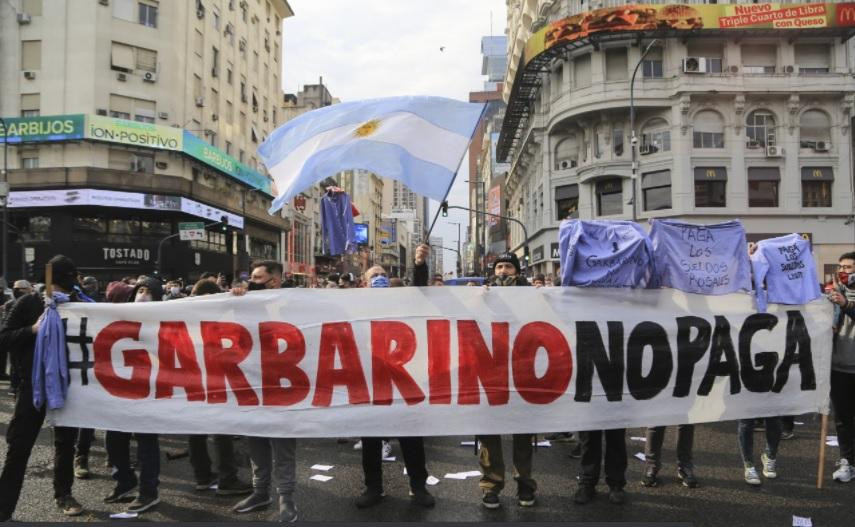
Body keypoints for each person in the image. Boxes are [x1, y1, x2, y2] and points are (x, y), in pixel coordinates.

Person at [0, 256, 85, 520]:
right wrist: (33, 330)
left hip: (65, 386)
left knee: (65, 443)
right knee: (19, 447)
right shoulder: (28, 303)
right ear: (51, 281)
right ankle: (4, 506)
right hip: (31, 386)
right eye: (60, 284)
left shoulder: (79, 305)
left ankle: (64, 494)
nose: (63, 291)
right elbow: (3, 338)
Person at [355, 250, 435, 510]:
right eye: (373, 276)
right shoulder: (352, 305)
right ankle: (374, 488)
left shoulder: (403, 303)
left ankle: (418, 486)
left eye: (382, 275)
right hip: (370, 381)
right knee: (371, 439)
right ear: (364, 284)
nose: (379, 278)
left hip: (403, 380)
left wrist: (419, 265)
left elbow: (421, 292)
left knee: (411, 437)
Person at [230, 260, 300, 522]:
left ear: (274, 281)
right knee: (255, 442)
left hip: (283, 387)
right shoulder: (247, 302)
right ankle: (261, 492)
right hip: (252, 383)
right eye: (251, 277)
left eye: (257, 278)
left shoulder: (294, 303)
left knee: (283, 446)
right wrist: (238, 300)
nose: (251, 282)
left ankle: (286, 498)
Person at [477, 252, 537, 509]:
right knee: (490, 434)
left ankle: (524, 482)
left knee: (523, 433)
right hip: (491, 372)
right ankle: (492, 485)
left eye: (508, 266)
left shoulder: (533, 295)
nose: (503, 271)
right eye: (499, 266)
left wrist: (544, 295)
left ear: (517, 270)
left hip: (524, 372)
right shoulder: (482, 293)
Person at [184, 279, 252, 496]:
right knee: (222, 429)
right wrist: (236, 301)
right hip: (216, 379)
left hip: (191, 381)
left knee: (196, 431)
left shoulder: (182, 313)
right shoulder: (216, 317)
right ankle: (227, 478)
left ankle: (202, 477)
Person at [104, 277, 164, 513]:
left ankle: (149, 492)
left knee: (147, 443)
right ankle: (125, 481)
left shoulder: (167, 318)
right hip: (121, 388)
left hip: (149, 390)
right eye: (140, 290)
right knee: (114, 439)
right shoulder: (120, 316)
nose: (143, 294)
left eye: (149, 291)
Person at [831, 251, 855, 482]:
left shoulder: (843, 297)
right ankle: (847, 461)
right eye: (841, 267)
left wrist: (846, 304)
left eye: (848, 267)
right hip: (839, 367)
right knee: (843, 419)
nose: (843, 271)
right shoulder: (834, 292)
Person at [1, 280, 33, 389]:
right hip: (15, 336)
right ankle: (14, 386)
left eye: (20, 289)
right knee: (14, 363)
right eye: (15, 288)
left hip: (26, 337)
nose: (17, 291)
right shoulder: (10, 304)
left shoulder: (34, 302)